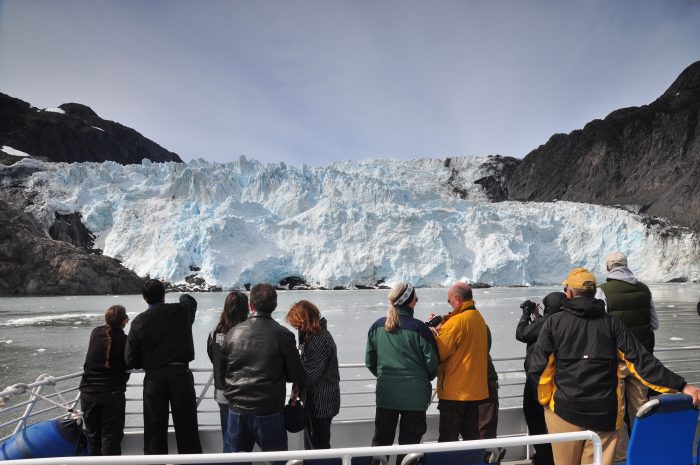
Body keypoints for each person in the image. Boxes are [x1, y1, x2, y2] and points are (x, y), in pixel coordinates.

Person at [529, 267, 700, 465]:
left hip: (564, 411)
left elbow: (539, 369)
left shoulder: (554, 323)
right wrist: (682, 386)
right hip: (604, 414)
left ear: (568, 292)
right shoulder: (612, 324)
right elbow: (641, 361)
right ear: (594, 293)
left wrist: (548, 402)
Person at [220, 283, 302, 458]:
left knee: (235, 461)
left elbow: (222, 372)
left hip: (237, 411)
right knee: (276, 461)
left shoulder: (232, 334)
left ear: (251, 305)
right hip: (269, 411)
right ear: (274, 307)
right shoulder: (284, 335)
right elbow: (295, 374)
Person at [124, 279, 202, 455]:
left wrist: (143, 363)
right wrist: (182, 294)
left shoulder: (140, 321)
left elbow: (130, 359)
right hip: (181, 375)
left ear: (145, 298)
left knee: (154, 429)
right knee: (187, 427)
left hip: (154, 378)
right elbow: (190, 300)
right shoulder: (181, 311)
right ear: (164, 295)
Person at [365, 283, 439, 465]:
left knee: (381, 442)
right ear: (409, 301)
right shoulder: (419, 328)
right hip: (415, 397)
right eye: (416, 299)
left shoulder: (377, 326)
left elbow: (370, 361)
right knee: (409, 446)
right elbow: (433, 363)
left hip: (387, 394)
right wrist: (423, 379)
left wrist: (385, 376)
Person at [595, 252, 658, 461]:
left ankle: (621, 456)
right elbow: (654, 324)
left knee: (617, 409)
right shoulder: (644, 290)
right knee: (642, 405)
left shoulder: (602, 292)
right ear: (627, 265)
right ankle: (646, 450)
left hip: (616, 360)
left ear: (608, 268)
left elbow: (599, 328)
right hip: (642, 360)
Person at [430, 282, 489, 442]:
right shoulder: (478, 318)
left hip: (455, 392)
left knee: (448, 438)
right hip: (474, 391)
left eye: (449, 301)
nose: (449, 304)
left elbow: (440, 353)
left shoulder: (456, 322)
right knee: (471, 437)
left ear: (456, 299)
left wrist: (435, 335)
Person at [515, 292, 566, 465]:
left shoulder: (545, 322)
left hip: (537, 380)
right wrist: (538, 317)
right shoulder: (567, 321)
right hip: (561, 380)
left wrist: (526, 314)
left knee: (534, 417)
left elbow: (522, 334)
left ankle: (545, 457)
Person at [286, 300, 341, 449]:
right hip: (317, 402)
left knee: (318, 446)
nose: (294, 326)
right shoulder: (313, 336)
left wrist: (289, 373)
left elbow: (309, 375)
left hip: (320, 404)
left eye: (296, 323)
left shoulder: (318, 340)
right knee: (313, 444)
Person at [79, 305, 130, 456]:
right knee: (111, 438)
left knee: (93, 436)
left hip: (88, 392)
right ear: (124, 321)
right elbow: (131, 361)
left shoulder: (95, 333)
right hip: (112, 393)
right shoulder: (125, 340)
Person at [207, 291, 248, 451]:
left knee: (229, 438)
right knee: (244, 438)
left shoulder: (215, 332)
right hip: (245, 392)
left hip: (223, 392)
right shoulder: (248, 331)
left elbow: (213, 357)